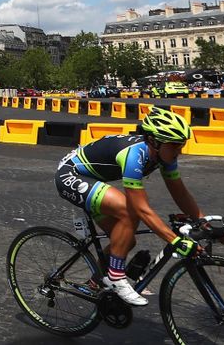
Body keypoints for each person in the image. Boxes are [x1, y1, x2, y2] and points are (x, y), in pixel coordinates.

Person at [55, 107, 205, 307]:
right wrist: (175, 240)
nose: (179, 151)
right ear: (154, 141)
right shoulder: (134, 154)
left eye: (182, 145)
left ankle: (95, 283)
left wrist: (204, 222)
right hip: (71, 175)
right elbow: (141, 208)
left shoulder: (163, 155)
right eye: (175, 146)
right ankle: (116, 277)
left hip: (93, 179)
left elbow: (180, 193)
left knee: (125, 242)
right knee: (129, 211)